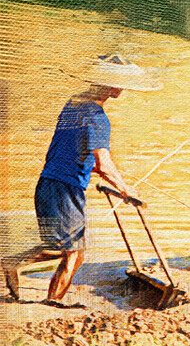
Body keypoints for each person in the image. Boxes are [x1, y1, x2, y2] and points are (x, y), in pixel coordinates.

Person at [3, 54, 161, 307]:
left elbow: (78, 152)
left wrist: (98, 171)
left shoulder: (74, 103)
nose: (121, 89)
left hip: (49, 183)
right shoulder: (97, 117)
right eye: (120, 83)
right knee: (73, 253)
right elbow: (104, 161)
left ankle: (20, 269)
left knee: (63, 247)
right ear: (111, 85)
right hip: (65, 188)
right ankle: (50, 302)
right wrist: (125, 189)